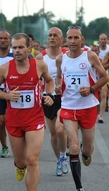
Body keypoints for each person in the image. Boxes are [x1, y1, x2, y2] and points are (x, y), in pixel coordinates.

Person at [0, 33, 54, 191]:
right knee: (21, 161)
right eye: (14, 47)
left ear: (29, 49)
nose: (17, 51)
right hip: (15, 121)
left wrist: (50, 95)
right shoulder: (4, 69)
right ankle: (19, 166)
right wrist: (7, 96)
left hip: (34, 119)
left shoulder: (39, 66)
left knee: (33, 159)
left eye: (20, 47)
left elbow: (49, 81)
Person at [56, 26, 108, 191]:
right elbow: (58, 78)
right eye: (69, 38)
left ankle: (85, 152)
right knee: (74, 147)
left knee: (87, 150)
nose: (72, 41)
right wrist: (57, 87)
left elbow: (104, 77)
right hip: (69, 107)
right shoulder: (60, 59)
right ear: (66, 40)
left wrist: (92, 88)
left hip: (88, 107)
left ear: (82, 40)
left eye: (75, 38)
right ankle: (79, 189)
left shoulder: (89, 56)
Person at [35, 27, 70, 176]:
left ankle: (64, 155)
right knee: (54, 134)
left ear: (61, 39)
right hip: (47, 97)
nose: (52, 38)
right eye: (49, 35)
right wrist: (44, 95)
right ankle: (59, 159)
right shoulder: (40, 57)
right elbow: (36, 80)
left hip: (65, 98)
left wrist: (62, 87)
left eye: (55, 35)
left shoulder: (68, 56)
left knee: (60, 129)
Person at [97, 33, 109, 119]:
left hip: (106, 74)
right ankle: (98, 108)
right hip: (96, 74)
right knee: (98, 95)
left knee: (104, 94)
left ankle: (101, 115)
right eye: (101, 39)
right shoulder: (95, 49)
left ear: (107, 40)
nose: (103, 41)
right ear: (99, 40)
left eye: (104, 39)